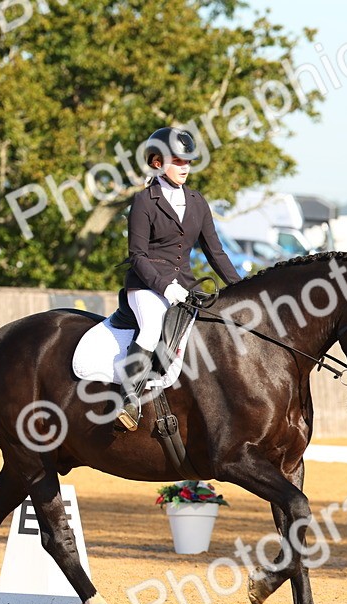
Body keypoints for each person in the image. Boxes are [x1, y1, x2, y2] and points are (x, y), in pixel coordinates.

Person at [116, 127, 243, 432]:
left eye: (188, 162)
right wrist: (163, 286)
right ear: (157, 162)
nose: (185, 167)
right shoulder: (145, 201)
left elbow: (216, 252)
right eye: (178, 161)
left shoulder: (198, 202)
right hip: (146, 285)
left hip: (185, 285)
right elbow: (137, 254)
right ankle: (128, 399)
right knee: (150, 329)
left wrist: (242, 288)